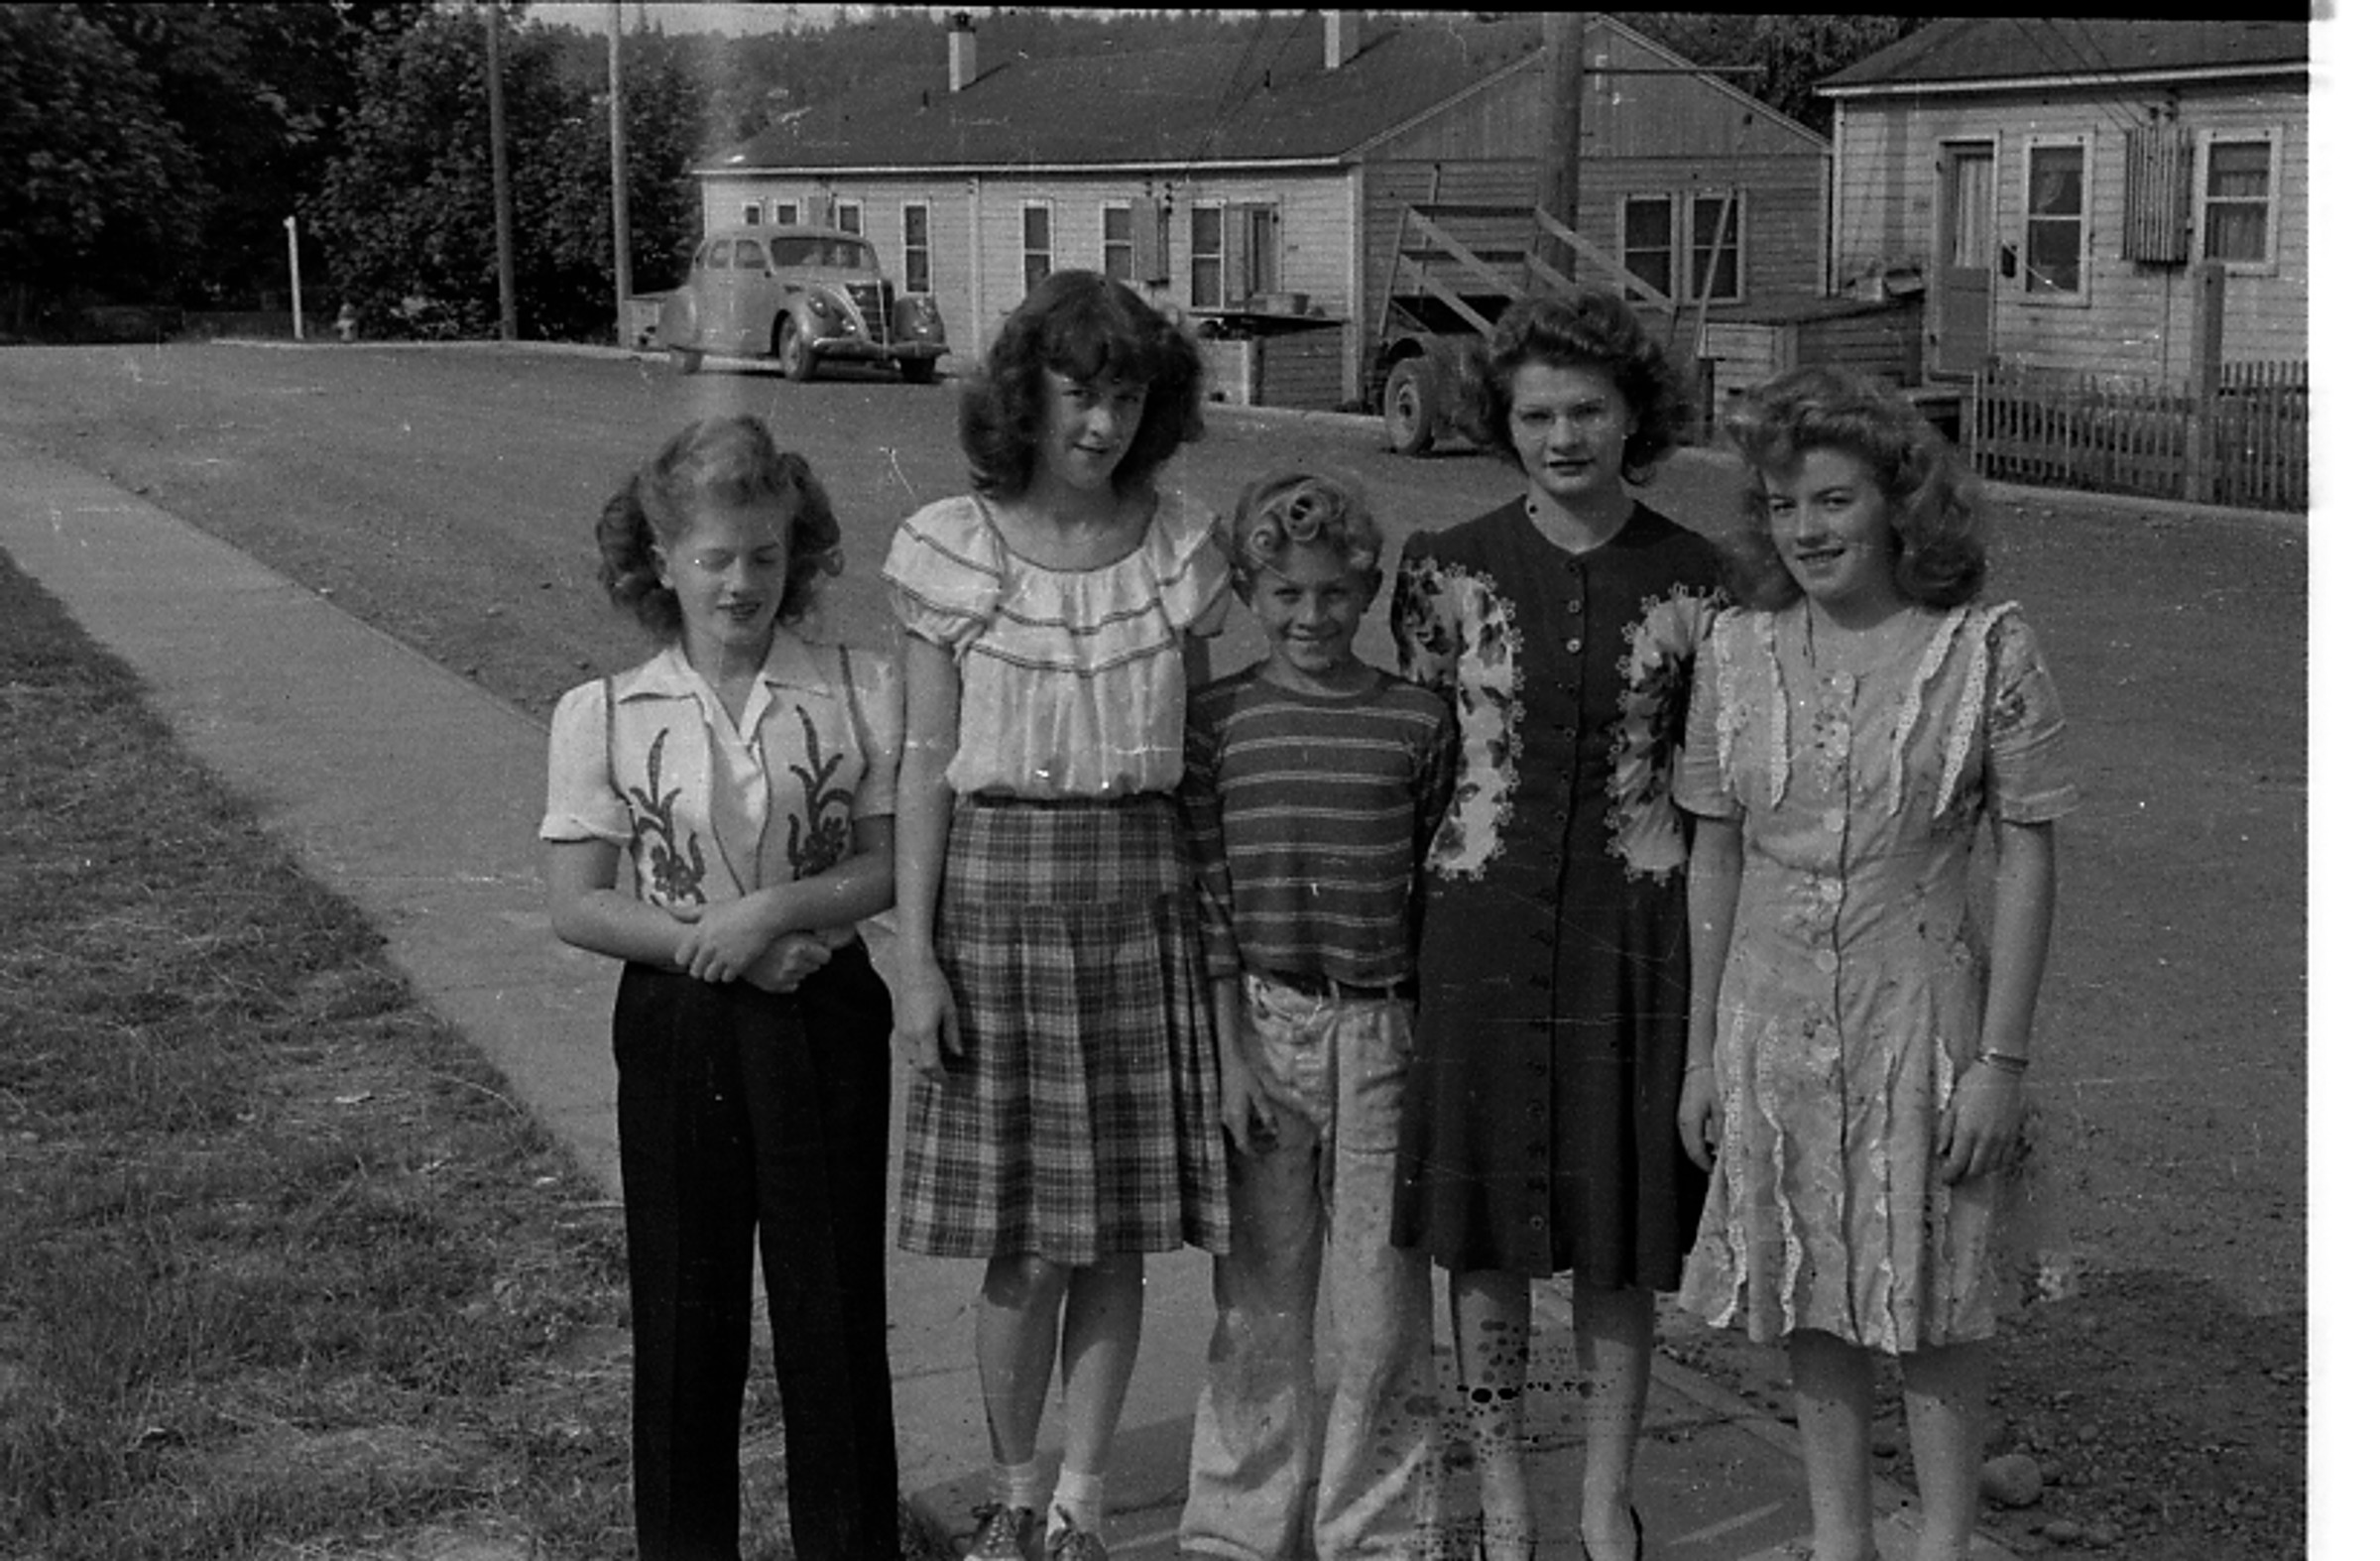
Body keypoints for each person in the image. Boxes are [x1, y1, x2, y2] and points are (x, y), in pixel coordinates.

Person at [1673, 365, 2079, 1561]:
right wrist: (1701, 1054)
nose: (1805, 529)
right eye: (1783, 504)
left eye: (1834, 500)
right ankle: (1840, 1536)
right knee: (1809, 1284)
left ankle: (1944, 1540)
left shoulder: (1983, 647)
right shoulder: (1735, 649)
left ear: (1900, 505)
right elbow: (1714, 854)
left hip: (1927, 1021)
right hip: (1771, 1018)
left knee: (1937, 1291)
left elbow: (2029, 854)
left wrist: (2002, 1060)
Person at [883, 269, 1232, 1561]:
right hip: (997, 908)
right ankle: (1016, 1495)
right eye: (1080, 394)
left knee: (1116, 1240)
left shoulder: (1182, 546)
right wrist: (916, 959)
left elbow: (1202, 757)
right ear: (1025, 397)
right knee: (1025, 1248)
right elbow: (924, 764)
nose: (1101, 424)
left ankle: (1085, 1500)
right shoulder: (950, 547)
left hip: (1141, 903)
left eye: (1126, 399)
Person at [1388, 290, 1724, 1561]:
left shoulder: (1701, 578)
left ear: (1636, 414)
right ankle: (1503, 1493)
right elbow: (1425, 756)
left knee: (1615, 1226)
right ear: (1505, 422)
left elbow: (1713, 783)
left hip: (1636, 933)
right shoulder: (1447, 565)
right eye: (1537, 415)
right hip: (1478, 921)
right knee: (1481, 1222)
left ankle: (1604, 1493)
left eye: (1588, 409)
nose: (1564, 436)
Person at [539, 415, 905, 1560]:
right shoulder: (606, 710)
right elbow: (579, 902)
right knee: (684, 1309)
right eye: (713, 557)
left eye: (764, 554)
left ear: (798, 554)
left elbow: (890, 863)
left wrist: (777, 912)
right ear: (661, 561)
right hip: (678, 1019)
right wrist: (725, 942)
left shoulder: (855, 687)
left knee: (831, 1305)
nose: (741, 582)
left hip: (824, 1009)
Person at [1176, 472, 1461, 1561]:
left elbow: (1435, 886)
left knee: (1380, 1307)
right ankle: (1239, 1527)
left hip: (1382, 1029)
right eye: (1286, 593)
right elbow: (1208, 896)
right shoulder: (1220, 720)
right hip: (1263, 1020)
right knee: (1259, 1299)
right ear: (1250, 592)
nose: (1311, 616)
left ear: (1369, 590)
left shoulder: (1415, 722)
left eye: (1335, 593)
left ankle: (1375, 1530)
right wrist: (1229, 1053)